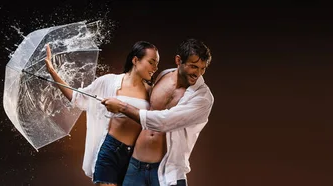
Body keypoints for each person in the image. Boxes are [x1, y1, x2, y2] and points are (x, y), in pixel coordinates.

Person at [43, 41, 159, 185]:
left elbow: (159, 120)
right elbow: (77, 97)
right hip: (111, 150)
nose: (155, 68)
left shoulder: (151, 91)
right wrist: (52, 72)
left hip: (135, 158)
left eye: (157, 64)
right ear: (135, 60)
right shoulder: (109, 81)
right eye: (152, 62)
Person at [102, 38, 214, 186]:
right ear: (178, 60)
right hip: (135, 166)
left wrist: (123, 107)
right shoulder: (164, 75)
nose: (198, 73)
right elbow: (145, 104)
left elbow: (164, 121)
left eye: (202, 68)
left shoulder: (203, 98)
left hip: (168, 172)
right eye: (193, 66)